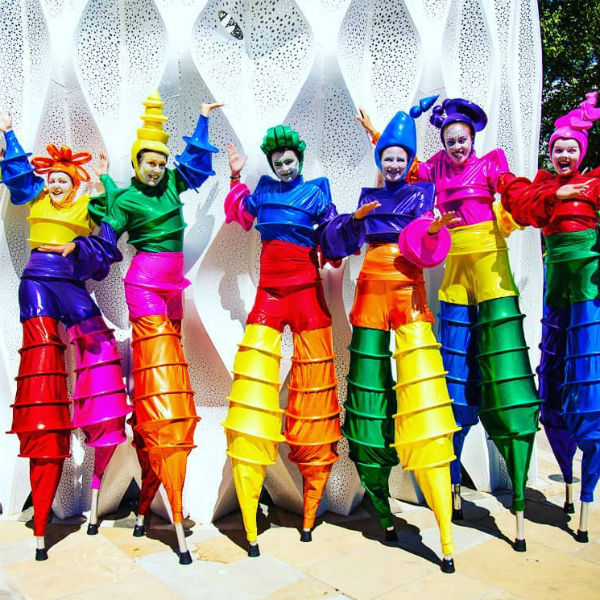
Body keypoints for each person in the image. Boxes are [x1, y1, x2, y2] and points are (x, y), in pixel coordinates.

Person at [358, 98, 540, 551]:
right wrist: (377, 133)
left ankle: (514, 493)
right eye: (450, 139)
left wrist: (530, 202)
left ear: (473, 139)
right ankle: (452, 483)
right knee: (454, 370)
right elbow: (398, 161)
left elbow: (513, 190)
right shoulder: (434, 169)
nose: (457, 145)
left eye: (462, 139)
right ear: (443, 142)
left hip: (492, 265)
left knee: (503, 353)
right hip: (456, 269)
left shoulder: (491, 165)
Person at [320, 97, 460, 573]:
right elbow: (337, 243)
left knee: (425, 395)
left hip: (411, 295)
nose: (395, 164)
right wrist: (354, 222)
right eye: (388, 158)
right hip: (371, 296)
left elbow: (429, 242)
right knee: (367, 395)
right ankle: (382, 506)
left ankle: (443, 531)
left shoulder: (422, 192)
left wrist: (382, 131)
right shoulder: (368, 198)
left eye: (401, 157)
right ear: (380, 163)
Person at [88, 91, 221, 564]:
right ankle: (169, 507)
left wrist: (202, 119)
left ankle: (146, 506)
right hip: (143, 288)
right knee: (163, 382)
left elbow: (195, 162)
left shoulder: (172, 185)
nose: (157, 169)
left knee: (165, 384)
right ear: (137, 161)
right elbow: (107, 239)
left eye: (161, 162)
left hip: (173, 290)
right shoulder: (126, 199)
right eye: (149, 162)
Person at [0, 110, 129, 561]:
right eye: (50, 178)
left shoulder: (85, 206)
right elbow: (16, 174)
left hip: (71, 283)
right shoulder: (34, 196)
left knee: (100, 350)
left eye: (61, 179)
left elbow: (106, 241)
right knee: (42, 368)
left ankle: (101, 448)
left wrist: (78, 245)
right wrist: (9, 134)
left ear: (74, 183)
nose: (54, 184)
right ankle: (40, 519)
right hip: (36, 283)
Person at [222, 125, 344, 557]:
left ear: (300, 160)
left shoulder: (316, 192)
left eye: (289, 160)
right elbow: (241, 213)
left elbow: (332, 237)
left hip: (308, 295)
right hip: (269, 296)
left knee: (314, 392)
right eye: (277, 162)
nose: (283, 166)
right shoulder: (264, 191)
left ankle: (310, 509)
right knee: (252, 392)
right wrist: (236, 177)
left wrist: (350, 227)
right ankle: (250, 516)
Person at [500, 91, 600, 544]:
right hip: (556, 298)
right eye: (558, 147)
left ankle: (586, 496)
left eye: (571, 149)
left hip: (589, 298)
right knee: (554, 386)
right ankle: (567, 477)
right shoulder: (542, 186)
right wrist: (556, 192)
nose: (564, 154)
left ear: (582, 153)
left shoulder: (595, 183)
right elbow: (520, 203)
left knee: (588, 387)